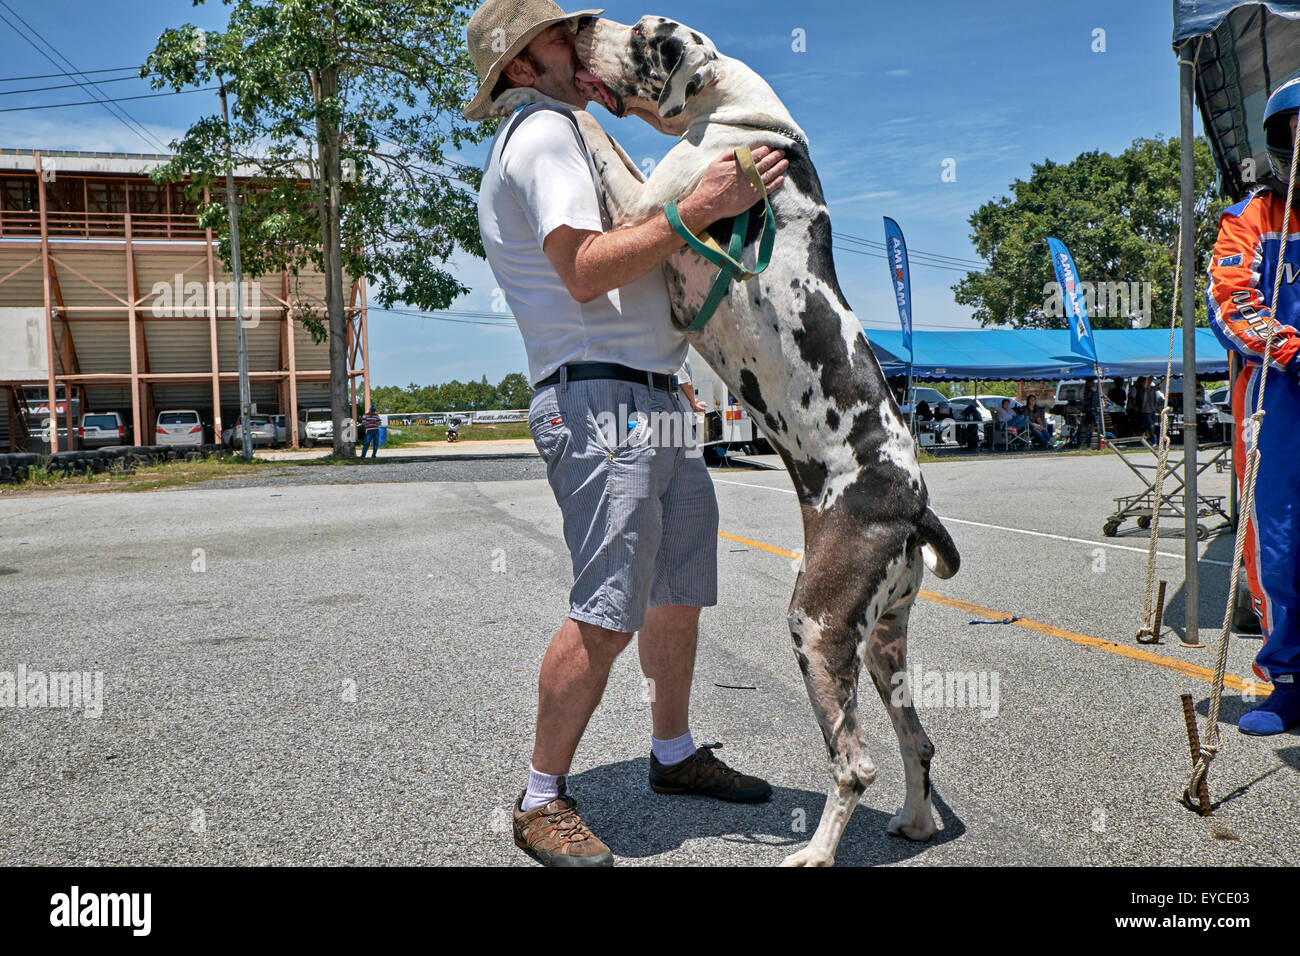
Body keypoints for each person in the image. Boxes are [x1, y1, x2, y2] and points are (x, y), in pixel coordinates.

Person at [466, 0, 788, 865]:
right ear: (520, 69)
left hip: (649, 393)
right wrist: (706, 204)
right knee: (608, 610)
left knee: (676, 586)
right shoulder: (540, 135)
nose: (580, 42)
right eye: (557, 36)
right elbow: (581, 271)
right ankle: (540, 798)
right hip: (600, 398)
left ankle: (673, 753)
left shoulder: (571, 128)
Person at [1206, 70, 1300, 735]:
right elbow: (1231, 301)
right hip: (1276, 397)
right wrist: (1293, 349)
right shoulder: (1252, 217)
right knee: (1279, 541)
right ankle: (1288, 679)